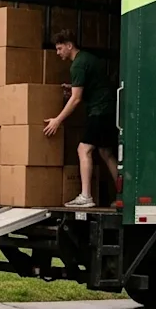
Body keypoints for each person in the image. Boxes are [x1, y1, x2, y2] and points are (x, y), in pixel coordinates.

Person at [44, 29, 118, 209]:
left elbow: (76, 98)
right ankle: (124, 193)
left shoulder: (77, 64)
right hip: (109, 110)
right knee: (106, 153)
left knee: (83, 149)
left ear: (70, 46)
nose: (58, 52)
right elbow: (93, 84)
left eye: (60, 48)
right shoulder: (88, 58)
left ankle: (86, 196)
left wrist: (57, 120)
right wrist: (73, 87)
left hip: (99, 111)